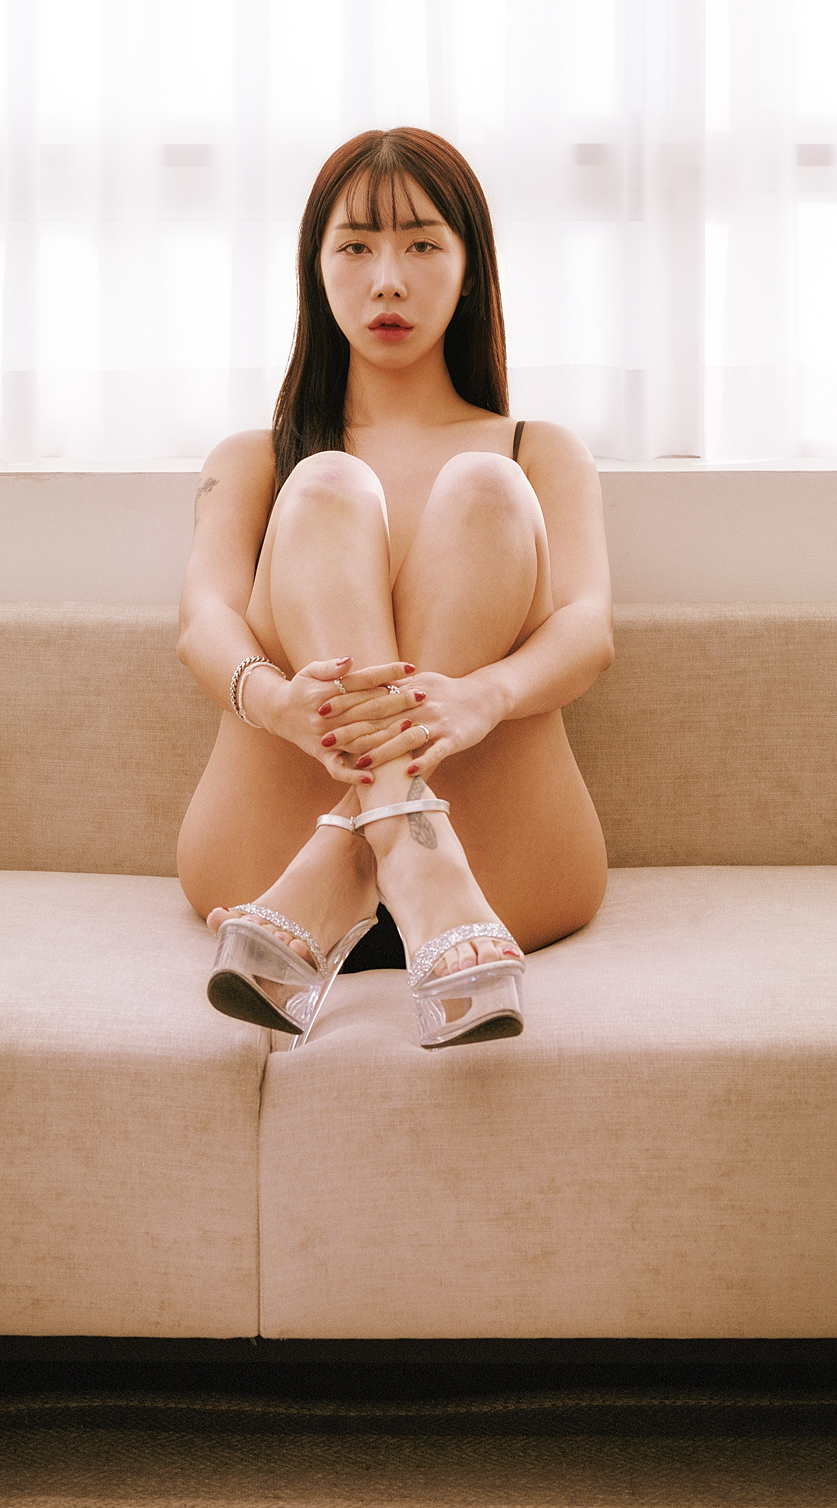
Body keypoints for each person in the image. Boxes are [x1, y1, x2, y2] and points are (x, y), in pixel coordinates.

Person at [176, 126, 612, 1048]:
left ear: (470, 267)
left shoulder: (540, 453)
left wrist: (484, 695)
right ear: (316, 268)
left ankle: (354, 859)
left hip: (498, 874)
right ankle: (411, 855)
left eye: (420, 245)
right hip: (263, 852)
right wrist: (277, 702)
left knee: (487, 488)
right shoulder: (255, 460)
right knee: (326, 486)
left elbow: (587, 629)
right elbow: (203, 621)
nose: (387, 281)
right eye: (356, 247)